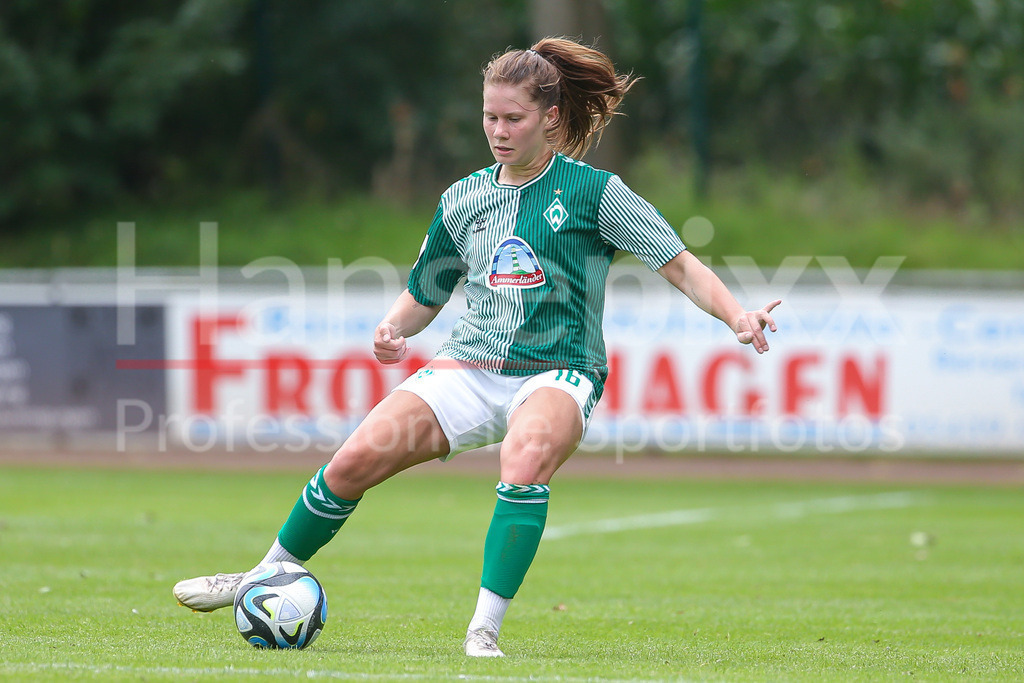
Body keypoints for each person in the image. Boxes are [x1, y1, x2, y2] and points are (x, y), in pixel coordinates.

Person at [173, 37, 781, 658]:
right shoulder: (463, 198)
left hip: (559, 371)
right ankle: (257, 579)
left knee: (525, 457)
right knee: (353, 462)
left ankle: (482, 631)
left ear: (548, 118)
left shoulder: (596, 192)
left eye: (512, 118)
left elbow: (679, 265)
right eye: (489, 117)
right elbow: (427, 289)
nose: (497, 130)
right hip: (469, 367)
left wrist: (737, 315)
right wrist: (393, 327)